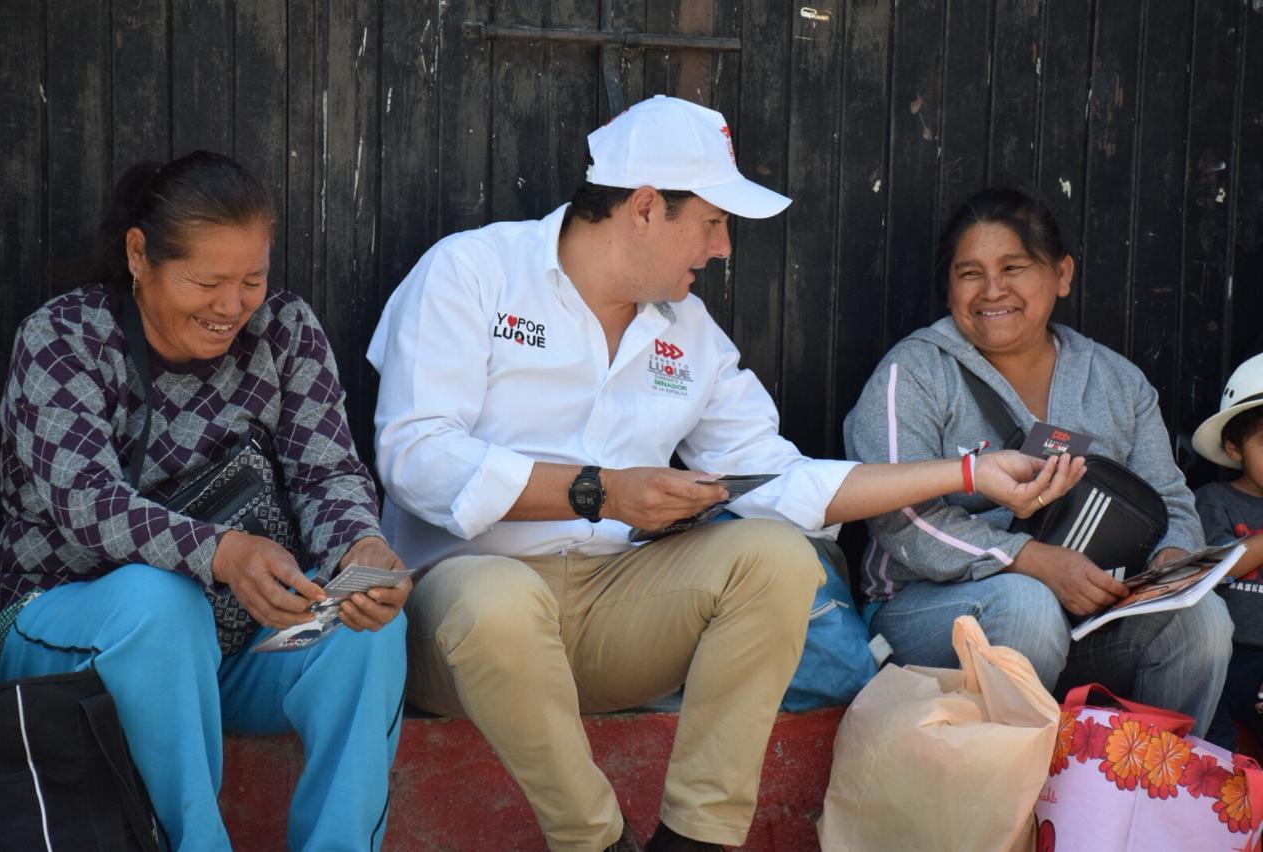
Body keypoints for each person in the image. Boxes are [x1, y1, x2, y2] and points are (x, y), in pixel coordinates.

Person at [367, 96, 1081, 852]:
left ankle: (699, 838)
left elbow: (780, 480)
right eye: (711, 221)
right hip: (463, 620)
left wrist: (970, 472)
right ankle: (595, 840)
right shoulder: (472, 271)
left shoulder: (688, 331)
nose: (723, 247)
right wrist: (600, 490)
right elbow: (415, 459)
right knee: (495, 599)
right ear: (644, 208)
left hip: (615, 615)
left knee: (776, 557)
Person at [0, 151, 411, 851]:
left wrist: (359, 546)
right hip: (60, 637)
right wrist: (221, 552)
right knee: (162, 603)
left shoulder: (285, 332)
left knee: (370, 629)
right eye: (205, 281)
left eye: (251, 280)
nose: (230, 307)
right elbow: (86, 503)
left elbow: (327, 473)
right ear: (138, 255)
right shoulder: (63, 340)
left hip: (230, 651)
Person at [844, 186, 1233, 736]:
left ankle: (1147, 792)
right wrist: (1030, 559)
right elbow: (899, 519)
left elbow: (1172, 501)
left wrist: (1170, 566)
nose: (992, 290)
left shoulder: (1117, 382)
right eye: (969, 272)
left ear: (1062, 274)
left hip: (1088, 620)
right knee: (1026, 605)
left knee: (1200, 621)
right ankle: (1008, 801)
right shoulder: (915, 373)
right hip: (929, 615)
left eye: (1014, 267)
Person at [1192, 353, 1263, 749]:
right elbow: (1217, 567)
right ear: (1234, 448)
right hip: (1223, 655)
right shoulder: (1214, 501)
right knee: (1213, 753)